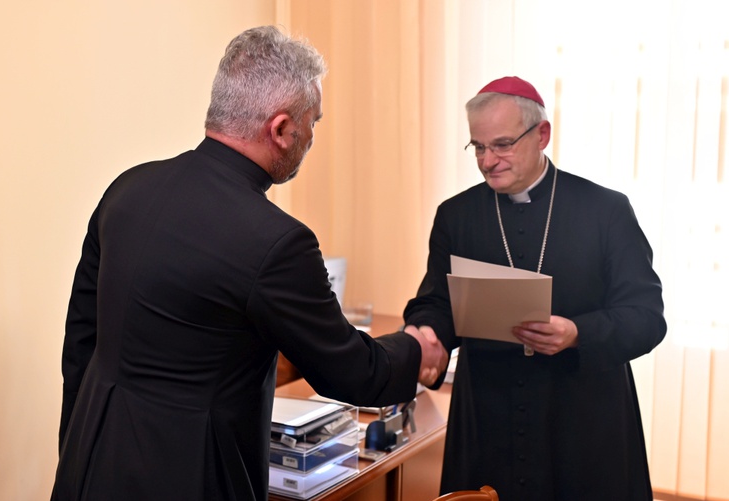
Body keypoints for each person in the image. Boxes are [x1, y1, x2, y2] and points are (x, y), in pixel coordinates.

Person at [51, 26, 447, 501]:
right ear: (280, 129)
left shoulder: (127, 189)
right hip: (189, 475)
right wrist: (416, 350)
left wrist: (75, 446)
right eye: (313, 123)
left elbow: (81, 342)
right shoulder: (277, 241)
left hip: (90, 459)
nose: (312, 138)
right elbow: (350, 371)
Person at [403, 76, 666, 500]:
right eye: (479, 147)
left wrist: (578, 332)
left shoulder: (605, 211)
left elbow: (647, 318)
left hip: (583, 419)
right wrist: (427, 334)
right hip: (489, 412)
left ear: (542, 134)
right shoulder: (456, 215)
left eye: (503, 144)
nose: (489, 161)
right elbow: (437, 301)